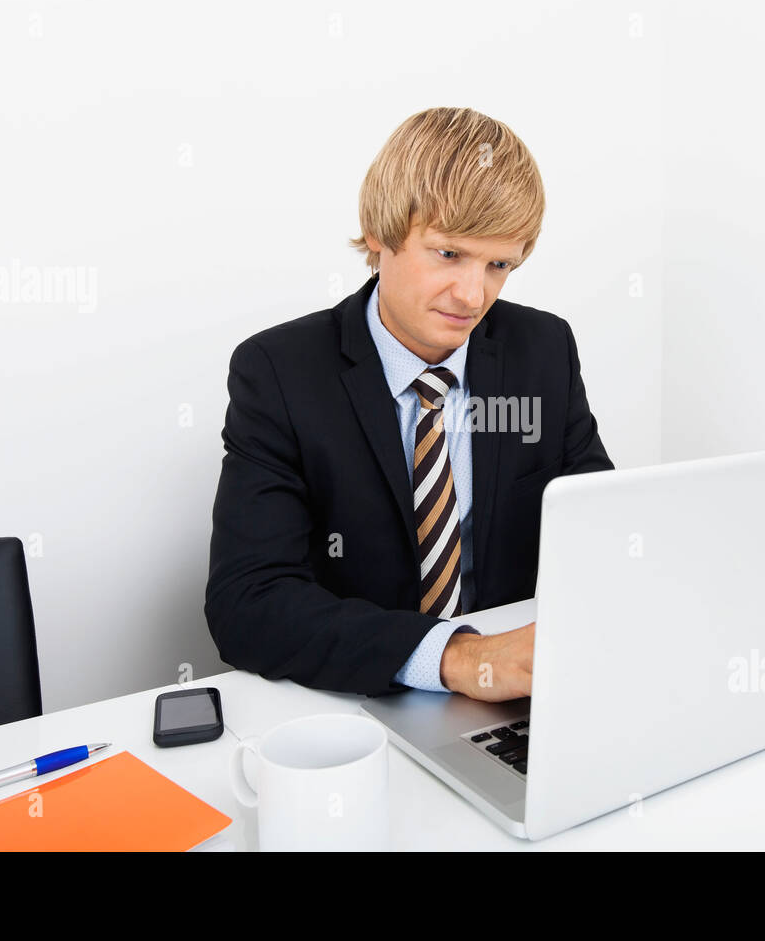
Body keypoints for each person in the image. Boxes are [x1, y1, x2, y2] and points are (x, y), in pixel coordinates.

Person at [204, 106, 613, 701]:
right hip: (358, 704)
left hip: (512, 707)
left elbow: (599, 526)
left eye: (499, 265)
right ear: (380, 234)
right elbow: (248, 603)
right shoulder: (279, 373)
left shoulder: (542, 349)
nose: (473, 296)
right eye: (448, 254)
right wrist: (456, 656)